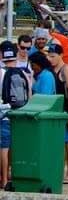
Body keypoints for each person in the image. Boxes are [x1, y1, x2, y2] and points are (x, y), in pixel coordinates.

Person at [40, 45, 68, 184]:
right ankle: (58, 171)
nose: (50, 59)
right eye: (48, 56)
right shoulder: (50, 70)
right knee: (57, 143)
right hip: (55, 111)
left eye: (53, 56)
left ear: (61, 55)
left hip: (65, 110)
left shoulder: (66, 70)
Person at [0, 41, 31, 189]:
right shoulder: (23, 72)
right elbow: (29, 95)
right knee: (14, 146)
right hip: (18, 115)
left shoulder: (1, 72)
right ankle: (14, 175)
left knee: (3, 148)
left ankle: (4, 179)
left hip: (3, 115)